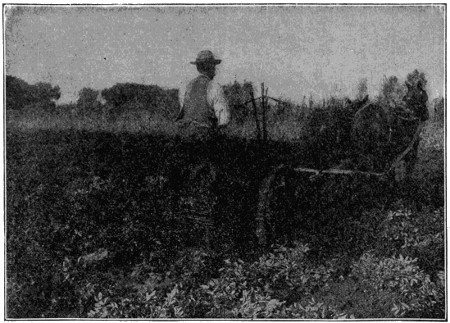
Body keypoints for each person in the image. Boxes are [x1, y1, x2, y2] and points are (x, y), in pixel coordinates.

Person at [176, 50, 230, 141]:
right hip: (204, 138)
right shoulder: (215, 87)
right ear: (210, 67)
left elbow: (185, 110)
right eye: (213, 66)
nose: (215, 70)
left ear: (198, 68)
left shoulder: (185, 87)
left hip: (184, 135)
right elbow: (224, 120)